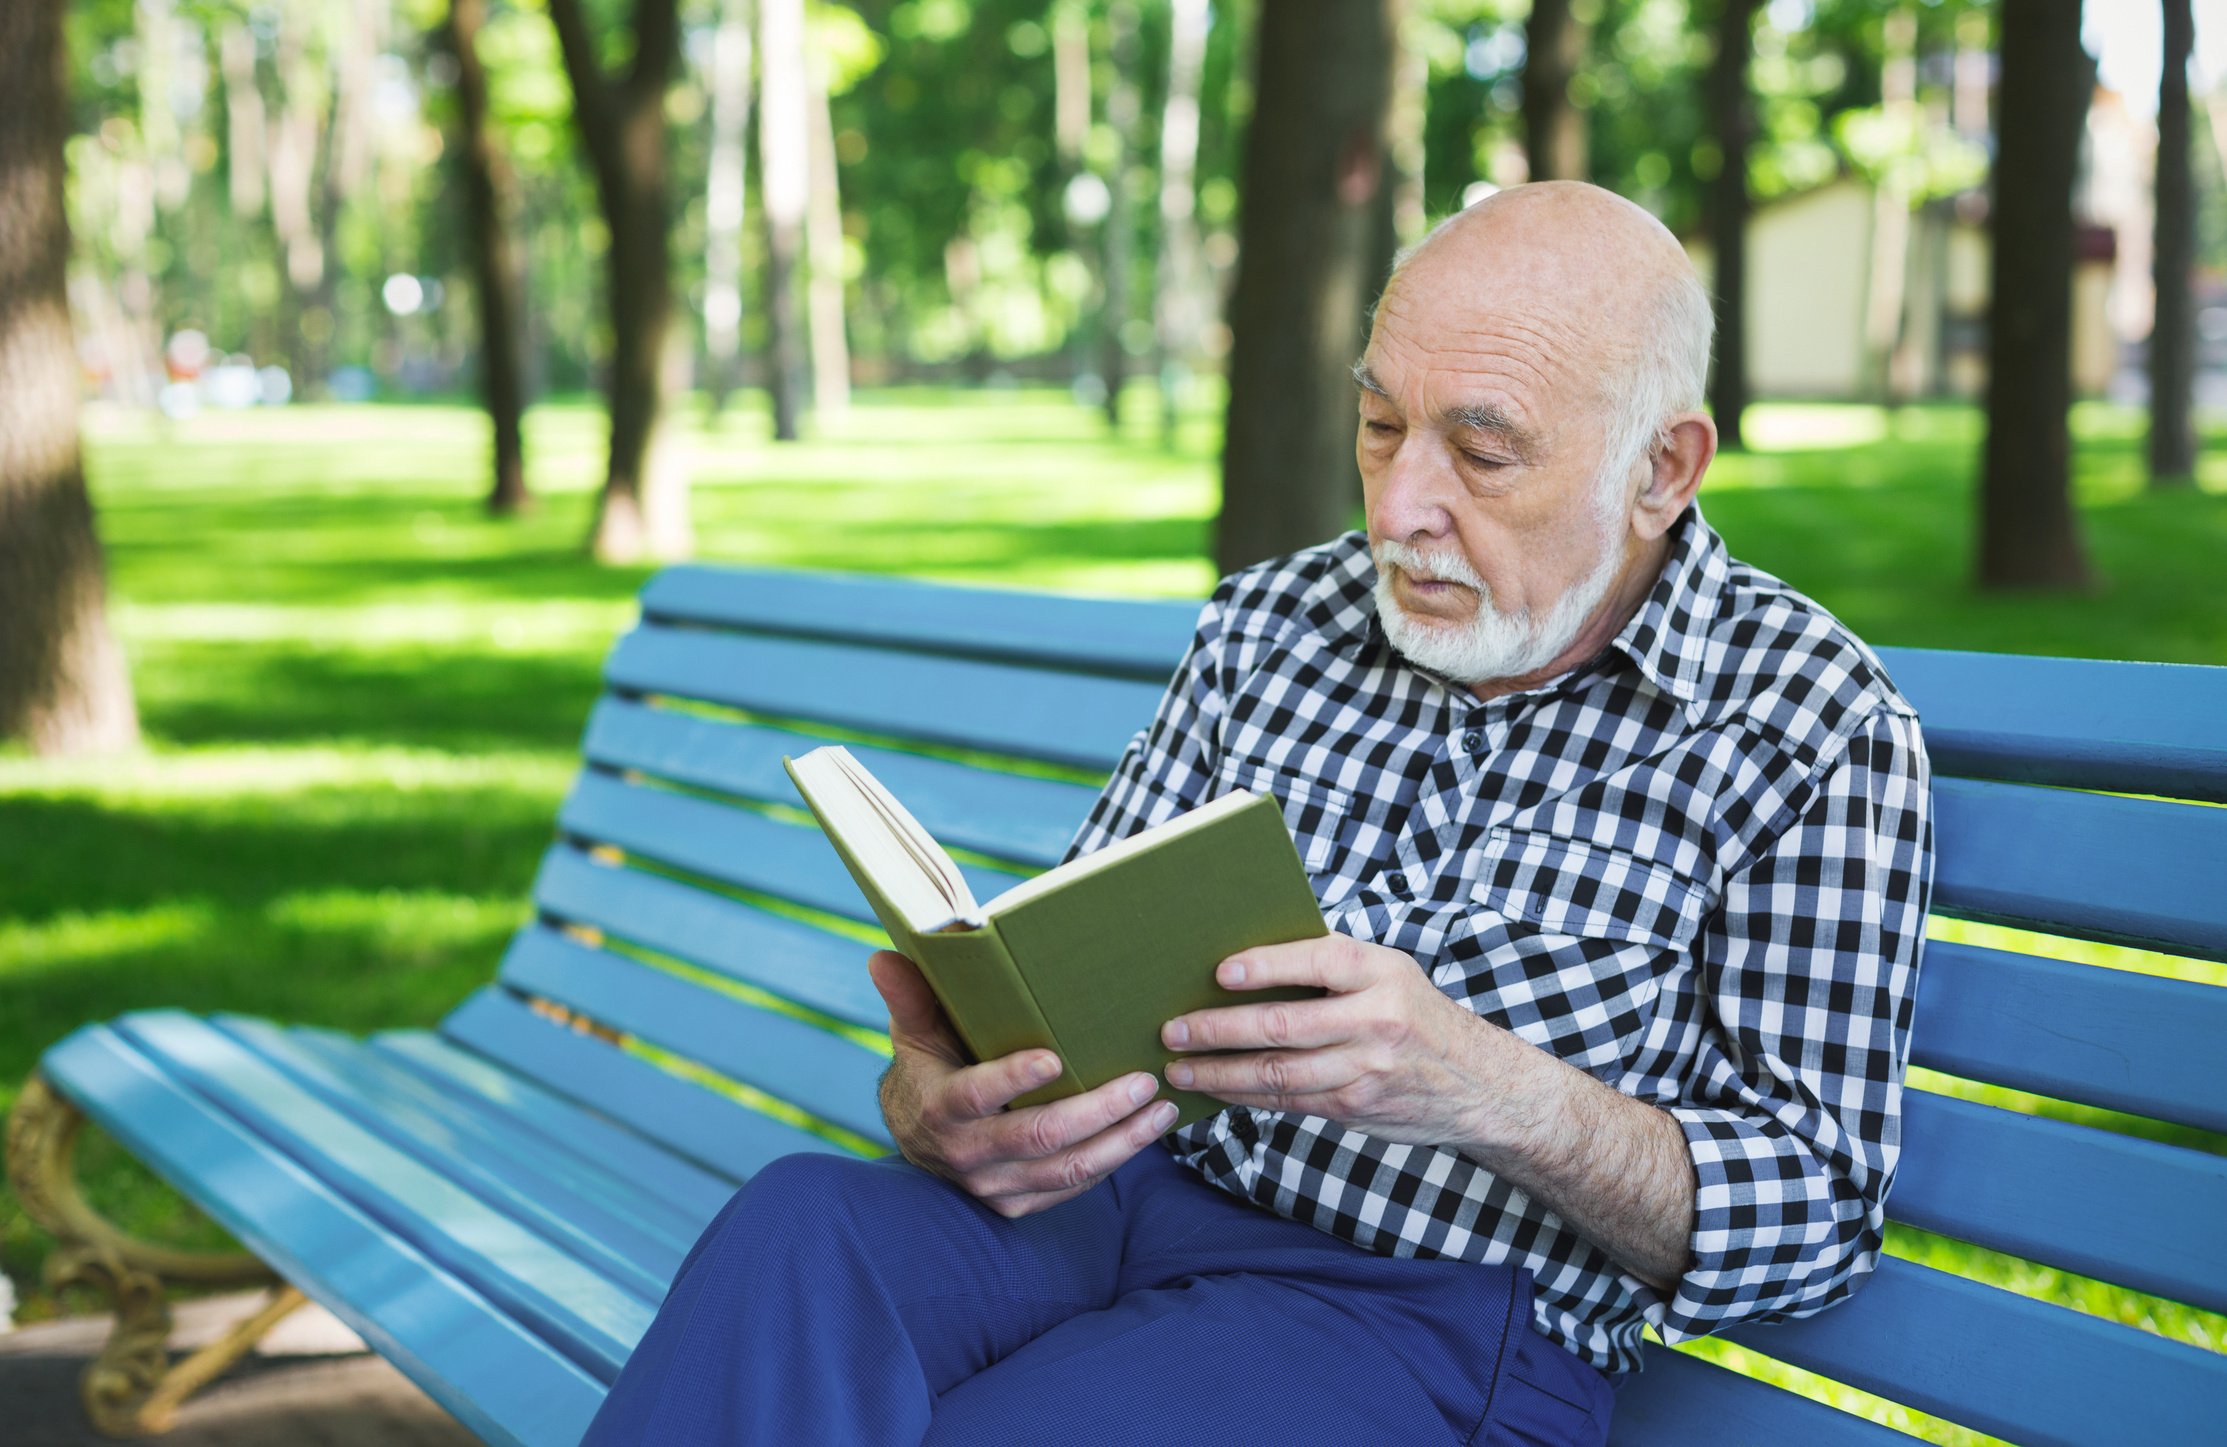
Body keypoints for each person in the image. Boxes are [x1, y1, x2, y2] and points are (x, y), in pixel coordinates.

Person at [581, 181, 1935, 1446]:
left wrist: (1483, 1086)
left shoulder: (1806, 728)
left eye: (1481, 450)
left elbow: (1813, 1216)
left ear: (1661, 470)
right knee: (800, 1229)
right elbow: (1077, 977)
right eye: (1382, 424)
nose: (1402, 507)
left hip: (1428, 1315)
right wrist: (954, 1093)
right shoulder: (1277, 624)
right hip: (1122, 1209)